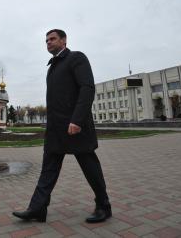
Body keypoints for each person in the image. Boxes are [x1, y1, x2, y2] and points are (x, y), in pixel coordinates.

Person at [12, 29, 111, 223]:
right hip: (55, 129)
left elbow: (87, 88)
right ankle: (38, 209)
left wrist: (77, 120)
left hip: (75, 127)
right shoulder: (52, 67)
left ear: (64, 41)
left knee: (90, 167)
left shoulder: (76, 58)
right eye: (46, 40)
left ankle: (104, 206)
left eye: (52, 39)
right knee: (48, 170)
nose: (48, 42)